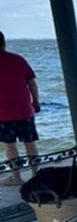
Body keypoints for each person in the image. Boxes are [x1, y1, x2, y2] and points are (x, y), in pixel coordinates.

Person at [0, 31, 40, 185]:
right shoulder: (18, 60)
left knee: (10, 145)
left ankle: (16, 177)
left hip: (3, 113)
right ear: (4, 42)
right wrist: (36, 101)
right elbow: (32, 83)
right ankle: (36, 174)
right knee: (30, 143)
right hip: (24, 109)